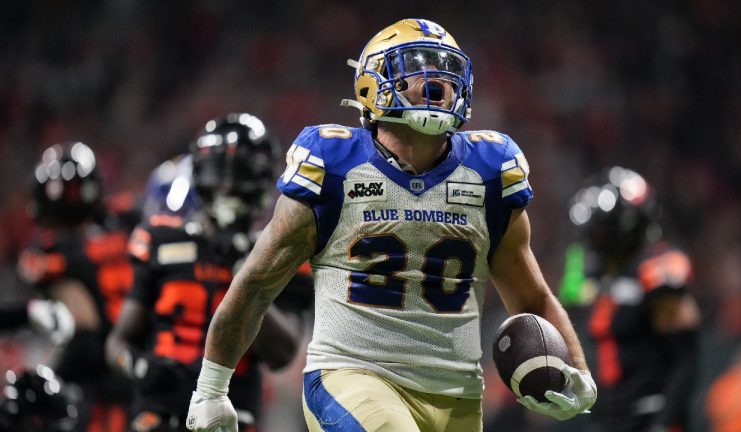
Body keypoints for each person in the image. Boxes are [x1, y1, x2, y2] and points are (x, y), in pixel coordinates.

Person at [186, 18, 596, 432]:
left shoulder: (489, 171)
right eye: (415, 67)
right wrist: (211, 388)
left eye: (445, 70)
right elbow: (256, 283)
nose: (435, 82)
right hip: (351, 376)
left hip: (457, 393)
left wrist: (578, 372)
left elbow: (533, 297)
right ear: (372, 85)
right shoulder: (334, 162)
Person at [106, 113, 312, 432]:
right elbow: (118, 344)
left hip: (232, 415)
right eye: (219, 174)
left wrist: (246, 275)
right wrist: (140, 367)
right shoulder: (160, 239)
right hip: (157, 412)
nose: (227, 186)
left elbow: (281, 354)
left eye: (240, 175)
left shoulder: (280, 252)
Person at [559, 166, 701, 431]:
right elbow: (567, 313)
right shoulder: (590, 270)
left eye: (598, 234)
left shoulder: (657, 268)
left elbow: (685, 360)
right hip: (606, 416)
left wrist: (666, 422)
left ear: (625, 226)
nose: (592, 243)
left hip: (649, 414)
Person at [15, 141, 136, 431]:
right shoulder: (127, 219)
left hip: (102, 389)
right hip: (150, 372)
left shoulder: (49, 256)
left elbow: (84, 334)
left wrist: (48, 377)